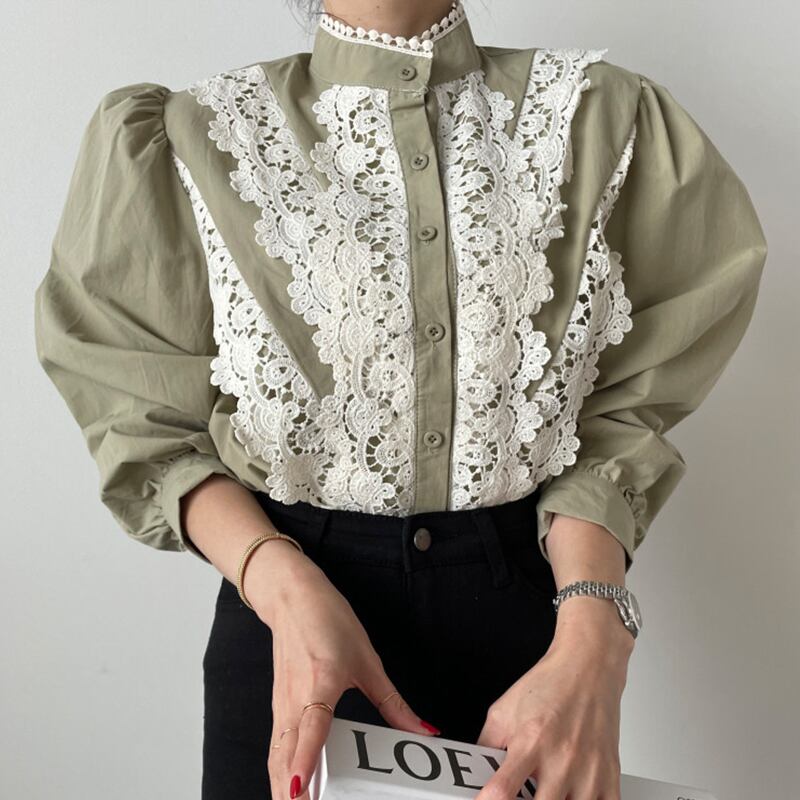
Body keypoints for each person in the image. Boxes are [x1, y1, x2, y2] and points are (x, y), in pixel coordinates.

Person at [32, 1, 768, 798]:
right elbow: (149, 430)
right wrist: (282, 586)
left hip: (538, 644)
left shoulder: (601, 117)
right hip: (290, 628)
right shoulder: (189, 138)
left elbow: (621, 416)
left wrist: (597, 634)